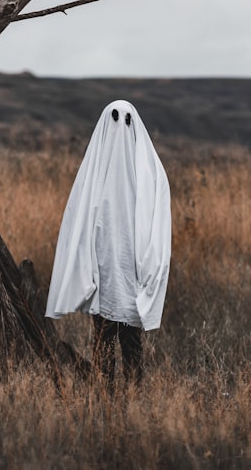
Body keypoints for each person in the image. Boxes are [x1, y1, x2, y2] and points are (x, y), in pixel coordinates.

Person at [45, 99, 171, 383]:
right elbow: (77, 225)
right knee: (103, 340)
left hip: (132, 276)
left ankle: (133, 399)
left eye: (127, 121)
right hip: (102, 275)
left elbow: (158, 225)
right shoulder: (93, 175)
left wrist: (150, 269)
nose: (120, 128)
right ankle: (105, 399)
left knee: (131, 342)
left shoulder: (150, 175)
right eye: (114, 119)